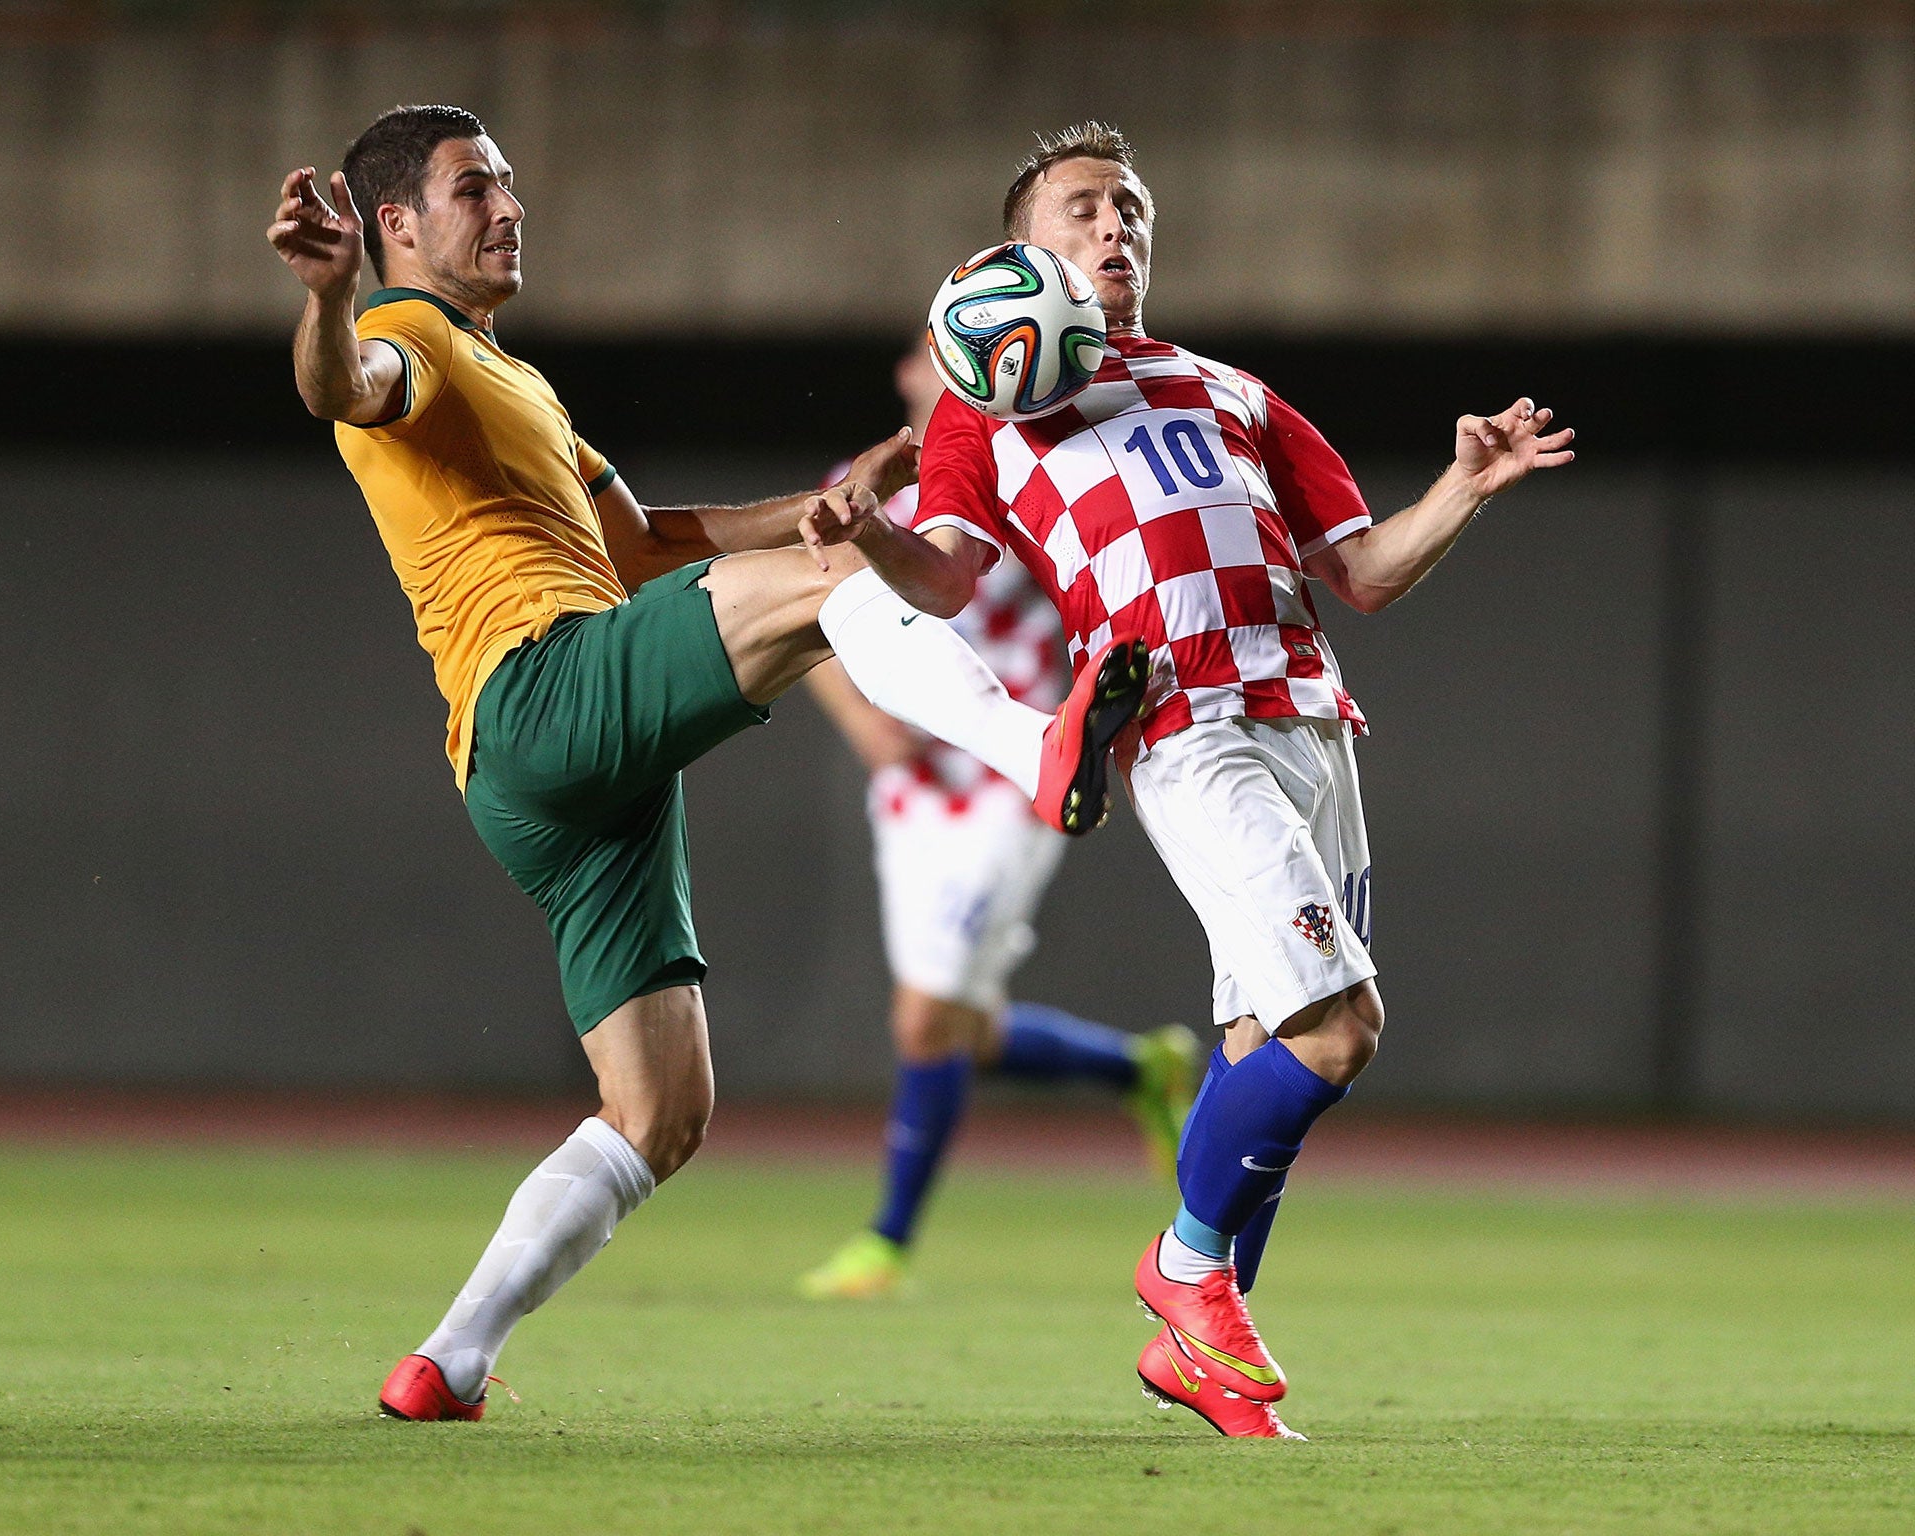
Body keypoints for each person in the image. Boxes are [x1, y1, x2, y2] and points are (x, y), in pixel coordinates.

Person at [266, 104, 1152, 1422]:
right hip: (548, 687)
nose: (509, 208)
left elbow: (645, 546)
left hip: (547, 784)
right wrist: (333, 301)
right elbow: (341, 389)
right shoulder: (406, 341)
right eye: (472, 190)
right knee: (832, 594)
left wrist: (828, 501)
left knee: (660, 1112)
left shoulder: (518, 385)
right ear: (395, 226)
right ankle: (1041, 749)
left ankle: (445, 1362)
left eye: (511, 184)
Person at [803, 122, 1574, 1438]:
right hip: (1182, 727)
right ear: (1019, 255)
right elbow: (943, 577)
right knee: (1340, 1030)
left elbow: (1367, 572)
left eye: (1131, 209)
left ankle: (1207, 1358)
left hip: (1315, 724)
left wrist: (1465, 485)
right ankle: (1185, 1269)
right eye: (1084, 209)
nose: (1115, 229)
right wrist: (869, 532)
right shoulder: (985, 417)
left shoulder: (1232, 390)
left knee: (1256, 1046)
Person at [797, 337, 1197, 1301]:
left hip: (1011, 776)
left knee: (927, 1018)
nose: (925, 372)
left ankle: (887, 1243)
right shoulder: (860, 486)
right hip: (911, 795)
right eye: (923, 354)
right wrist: (862, 723)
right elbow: (805, 615)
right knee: (956, 1024)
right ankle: (1137, 1069)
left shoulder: (1032, 468)